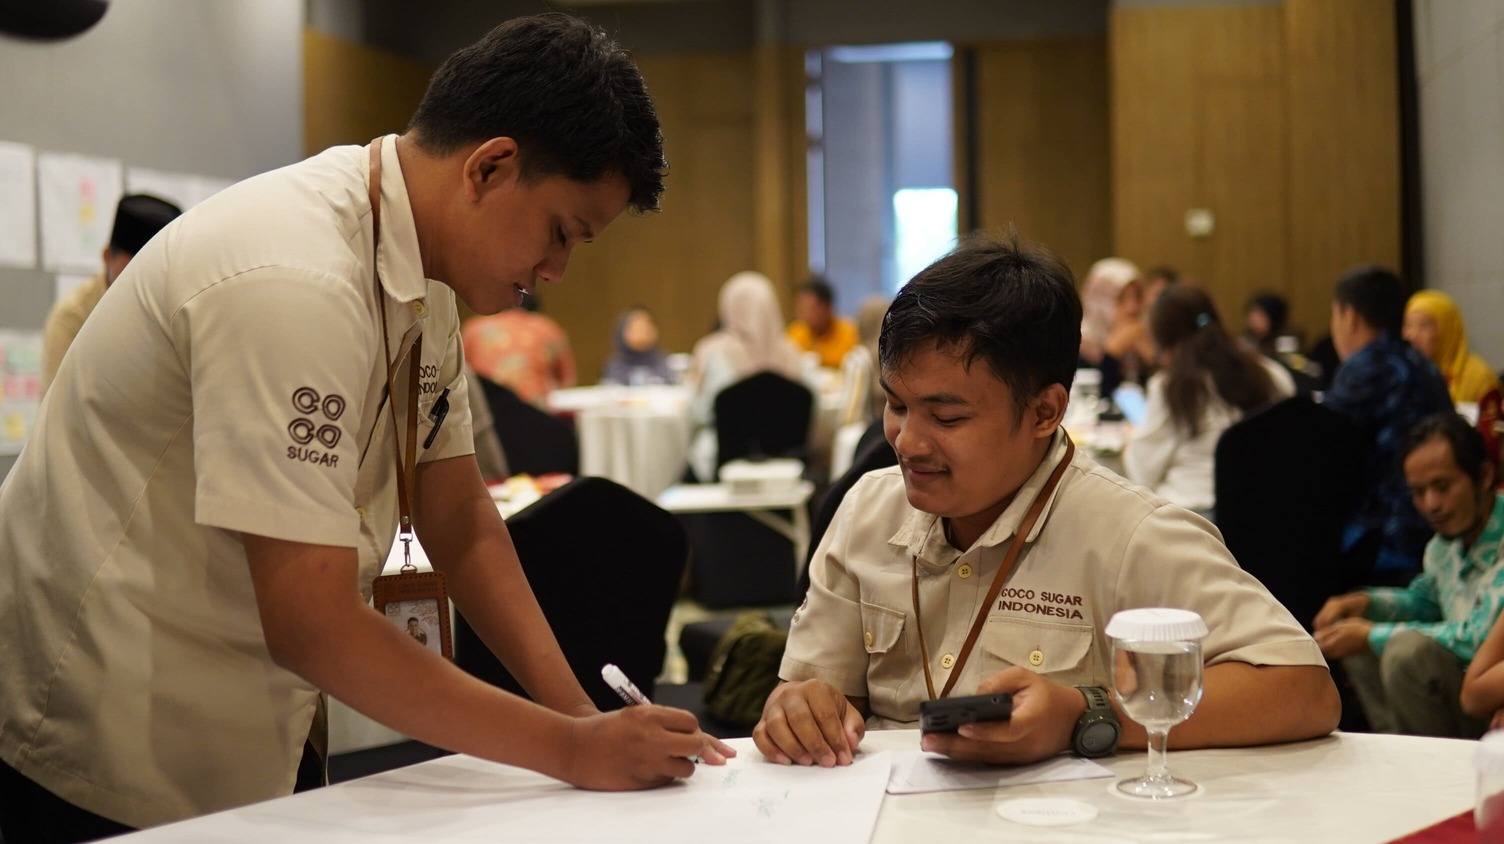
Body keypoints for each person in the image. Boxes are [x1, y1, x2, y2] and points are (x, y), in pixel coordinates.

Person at [0, 15, 732, 842]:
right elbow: (310, 621)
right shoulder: (296, 277)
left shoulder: (427, 269)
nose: (557, 271)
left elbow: (462, 518)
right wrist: (566, 747)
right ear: (490, 166)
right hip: (111, 720)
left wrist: (580, 715)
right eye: (562, 232)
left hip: (249, 710)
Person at [753, 234, 1339, 769]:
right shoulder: (867, 510)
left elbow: (1303, 688)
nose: (908, 442)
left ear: (1044, 412)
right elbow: (819, 696)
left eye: (947, 415)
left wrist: (1085, 716)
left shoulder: (1130, 534)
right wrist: (799, 707)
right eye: (897, 406)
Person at [1315, 412, 1502, 738]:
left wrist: (1372, 634)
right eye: (1418, 492)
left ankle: (1432, 774)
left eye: (1442, 487)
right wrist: (1365, 603)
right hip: (1462, 686)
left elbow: (1476, 639)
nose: (1431, 505)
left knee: (1405, 651)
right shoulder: (1444, 544)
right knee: (1354, 638)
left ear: (1483, 476)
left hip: (1489, 699)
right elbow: (1425, 601)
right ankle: (1394, 750)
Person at [1324, 266, 1453, 587]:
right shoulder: (1424, 363)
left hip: (1384, 541)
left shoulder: (1364, 368)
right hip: (1437, 526)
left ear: (1349, 315)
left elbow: (1322, 456)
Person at [1124, 285, 1293, 518]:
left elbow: (1142, 473)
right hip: (1267, 515)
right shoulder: (1272, 375)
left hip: (1192, 519)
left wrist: (1130, 439)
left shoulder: (1173, 387)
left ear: (1165, 342)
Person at [41, 193, 182, 394]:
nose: (140, 284)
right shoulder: (72, 318)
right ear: (107, 257)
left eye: (152, 273)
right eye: (129, 270)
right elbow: (56, 408)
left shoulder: (177, 308)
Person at [685, 271, 804, 482]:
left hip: (723, 466)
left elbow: (699, 413)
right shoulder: (792, 352)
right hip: (788, 469)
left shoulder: (712, 350)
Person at [462, 290, 577, 407]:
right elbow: (565, 380)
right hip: (535, 411)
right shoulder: (547, 328)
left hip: (488, 409)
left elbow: (462, 375)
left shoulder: (475, 328)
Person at [1403, 289, 1501, 405]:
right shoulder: (1404, 372)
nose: (1412, 335)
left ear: (1447, 331)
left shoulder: (1478, 378)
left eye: (1424, 326)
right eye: (1408, 325)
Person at [1077, 256, 1153, 394]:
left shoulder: (1148, 338)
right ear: (1098, 301)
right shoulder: (1077, 345)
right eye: (1120, 298)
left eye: (1137, 297)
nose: (1132, 308)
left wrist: (1151, 361)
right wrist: (1111, 355)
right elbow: (1099, 398)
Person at [787, 275, 859, 369]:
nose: (803, 315)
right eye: (801, 308)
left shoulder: (850, 333)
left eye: (809, 308)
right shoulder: (796, 333)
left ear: (827, 308)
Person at [601, 305, 674, 386]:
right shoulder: (614, 365)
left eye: (647, 327)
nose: (642, 332)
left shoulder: (666, 361)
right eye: (636, 328)